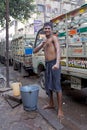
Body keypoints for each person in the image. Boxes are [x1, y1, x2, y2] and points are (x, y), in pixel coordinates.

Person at [33, 22, 64, 120]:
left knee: (57, 86)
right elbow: (34, 51)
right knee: (48, 85)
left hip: (54, 64)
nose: (47, 30)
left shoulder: (54, 38)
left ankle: (60, 109)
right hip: (47, 64)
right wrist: (41, 45)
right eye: (45, 28)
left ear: (51, 29)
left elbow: (58, 50)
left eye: (48, 28)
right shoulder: (44, 40)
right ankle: (51, 103)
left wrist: (57, 63)